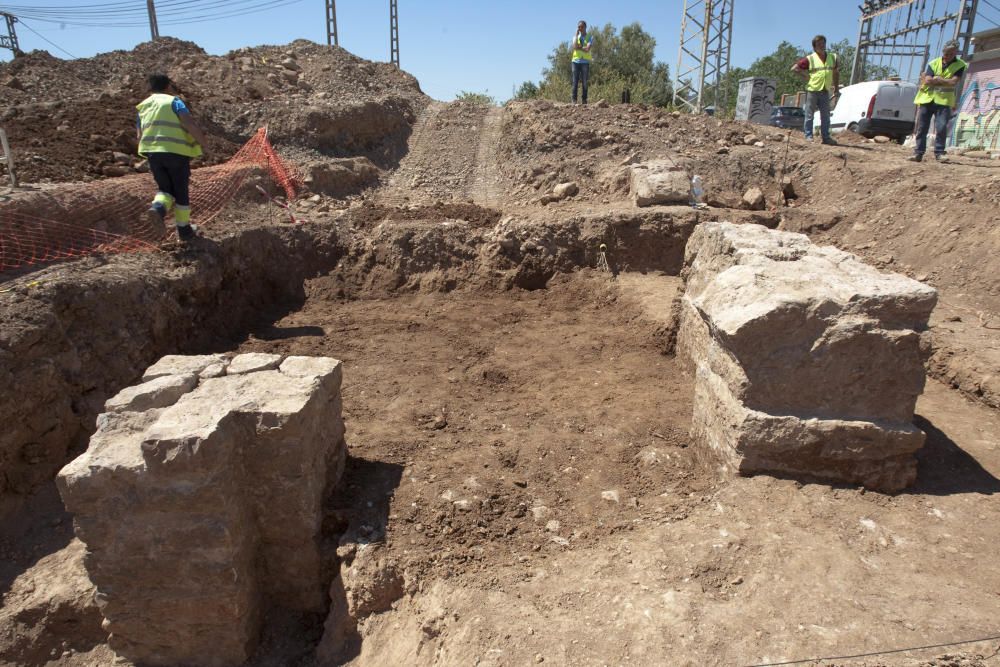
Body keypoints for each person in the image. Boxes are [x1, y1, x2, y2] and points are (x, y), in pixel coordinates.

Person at [136, 73, 207, 242]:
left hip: (153, 154)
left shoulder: (142, 107)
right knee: (181, 192)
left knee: (165, 189)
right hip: (175, 152)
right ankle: (184, 231)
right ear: (168, 86)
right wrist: (203, 143)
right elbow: (188, 123)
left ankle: (158, 209)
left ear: (150, 88)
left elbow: (139, 135)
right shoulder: (174, 102)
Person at [909, 40, 967, 163]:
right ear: (943, 51)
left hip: (944, 101)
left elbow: (954, 82)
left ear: (955, 52)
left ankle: (940, 153)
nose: (948, 56)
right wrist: (942, 80)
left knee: (941, 128)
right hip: (927, 99)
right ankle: (918, 153)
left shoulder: (960, 65)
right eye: (946, 53)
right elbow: (928, 80)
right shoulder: (934, 63)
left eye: (951, 54)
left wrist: (938, 78)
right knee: (922, 128)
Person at [791, 35, 840, 145]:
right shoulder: (810, 58)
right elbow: (794, 68)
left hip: (825, 90)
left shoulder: (833, 57)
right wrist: (806, 76)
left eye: (823, 43)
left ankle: (826, 138)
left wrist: (836, 88)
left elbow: (836, 73)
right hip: (813, 90)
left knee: (826, 116)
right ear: (814, 47)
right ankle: (809, 136)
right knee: (809, 114)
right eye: (818, 44)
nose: (821, 46)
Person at [571, 20, 593, 105]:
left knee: (584, 81)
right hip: (575, 61)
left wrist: (579, 47)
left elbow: (587, 49)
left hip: (585, 62)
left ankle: (584, 100)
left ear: (585, 27)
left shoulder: (590, 37)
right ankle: (574, 100)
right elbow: (575, 47)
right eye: (579, 27)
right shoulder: (575, 37)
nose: (580, 28)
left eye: (582, 27)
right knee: (575, 81)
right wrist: (576, 36)